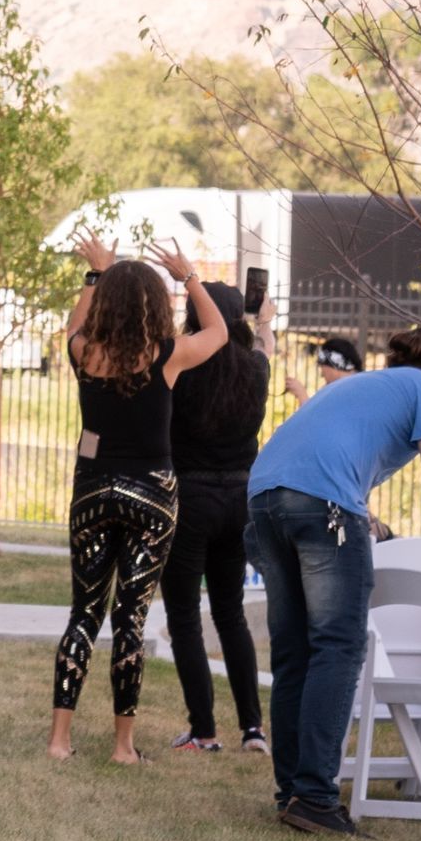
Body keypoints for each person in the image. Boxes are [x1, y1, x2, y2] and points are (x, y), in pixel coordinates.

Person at [246, 324, 421, 835]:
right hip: (322, 503)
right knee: (338, 646)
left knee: (294, 653)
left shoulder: (363, 384)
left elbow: (330, 448)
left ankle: (293, 792)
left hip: (264, 496)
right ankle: (315, 799)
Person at [50, 239, 227, 766]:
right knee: (130, 617)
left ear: (107, 302)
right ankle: (123, 746)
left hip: (92, 489)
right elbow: (217, 333)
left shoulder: (86, 353)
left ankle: (59, 741)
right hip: (151, 494)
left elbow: (72, 329)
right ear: (155, 303)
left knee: (84, 612)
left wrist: (95, 275)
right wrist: (190, 276)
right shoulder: (166, 354)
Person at [162, 280, 273, 755]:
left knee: (184, 614)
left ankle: (203, 730)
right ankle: (253, 729)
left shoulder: (183, 367)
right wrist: (264, 319)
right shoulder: (256, 370)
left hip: (190, 496)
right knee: (230, 614)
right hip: (240, 496)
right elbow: (265, 346)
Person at [281, 333, 364, 408]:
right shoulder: (360, 384)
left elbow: (317, 421)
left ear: (332, 365)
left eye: (322, 367)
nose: (322, 374)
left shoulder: (348, 389)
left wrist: (302, 395)